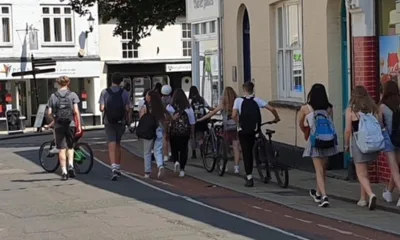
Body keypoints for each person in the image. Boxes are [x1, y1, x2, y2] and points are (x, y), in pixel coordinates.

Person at [232, 81, 280, 187]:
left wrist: (239, 123)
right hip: (255, 130)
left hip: (243, 131)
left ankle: (249, 177)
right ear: (253, 90)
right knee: (259, 142)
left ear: (244, 90)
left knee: (246, 152)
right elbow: (272, 109)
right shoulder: (257, 100)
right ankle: (263, 159)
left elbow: (234, 115)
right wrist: (276, 118)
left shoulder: (238, 100)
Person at [299, 83, 338, 207]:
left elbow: (300, 123)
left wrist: (305, 130)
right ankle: (317, 193)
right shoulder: (329, 108)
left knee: (318, 170)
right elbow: (331, 124)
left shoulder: (306, 108)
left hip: (315, 141)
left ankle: (324, 196)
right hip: (328, 141)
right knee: (323, 169)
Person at [344, 86, 379, 210]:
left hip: (359, 143)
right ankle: (362, 199)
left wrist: (346, 145)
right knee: (365, 173)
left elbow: (348, 131)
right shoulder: (373, 109)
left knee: (360, 173)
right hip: (371, 144)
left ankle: (370, 194)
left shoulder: (350, 111)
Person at [197, 86, 241, 174]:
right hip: (235, 128)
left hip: (226, 128)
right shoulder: (237, 103)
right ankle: (236, 167)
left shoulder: (223, 104)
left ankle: (224, 166)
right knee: (236, 148)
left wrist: (200, 119)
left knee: (223, 148)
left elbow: (212, 113)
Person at [99, 72, 132, 181]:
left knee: (111, 143)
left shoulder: (105, 92)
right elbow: (128, 108)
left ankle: (113, 168)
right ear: (121, 81)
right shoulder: (124, 93)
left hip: (109, 121)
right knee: (118, 143)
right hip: (120, 121)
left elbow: (101, 108)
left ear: (111, 80)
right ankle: (117, 167)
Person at [47, 76, 81, 181]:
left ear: (58, 83)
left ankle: (64, 172)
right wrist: (78, 125)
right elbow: (76, 111)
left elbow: (49, 113)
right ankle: (71, 165)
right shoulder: (73, 95)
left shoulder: (53, 96)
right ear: (68, 83)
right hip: (70, 124)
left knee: (61, 149)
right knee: (70, 147)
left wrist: (55, 119)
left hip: (59, 125)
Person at [139, 90, 170, 179]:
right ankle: (160, 166)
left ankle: (147, 172)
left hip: (148, 131)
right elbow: (166, 119)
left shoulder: (145, 107)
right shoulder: (160, 107)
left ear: (150, 97)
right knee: (158, 150)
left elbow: (142, 118)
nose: (146, 97)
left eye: (147, 96)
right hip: (159, 129)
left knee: (147, 152)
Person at [167, 88, 196, 177]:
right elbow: (192, 122)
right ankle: (182, 170)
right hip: (185, 132)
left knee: (174, 148)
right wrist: (192, 133)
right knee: (184, 149)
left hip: (173, 131)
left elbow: (166, 120)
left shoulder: (170, 107)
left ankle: (176, 161)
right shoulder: (188, 108)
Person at [380, 81, 400, 207]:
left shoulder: (382, 106)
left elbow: (380, 125)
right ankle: (388, 192)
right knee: (397, 168)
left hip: (389, 139)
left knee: (394, 169)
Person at [188, 86, 213, 159]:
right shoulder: (201, 99)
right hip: (202, 120)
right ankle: (202, 151)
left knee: (192, 137)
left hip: (192, 121)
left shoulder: (189, 100)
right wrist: (215, 109)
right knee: (200, 137)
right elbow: (208, 107)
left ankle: (194, 153)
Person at [161, 85, 173, 162]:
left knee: (165, 137)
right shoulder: (172, 100)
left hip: (163, 120)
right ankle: (171, 153)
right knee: (171, 137)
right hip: (171, 120)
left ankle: (165, 156)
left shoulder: (160, 100)